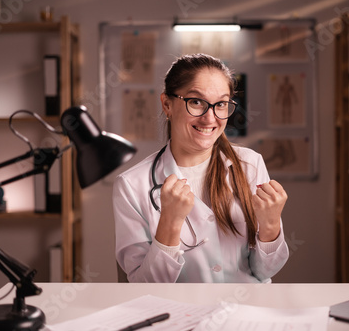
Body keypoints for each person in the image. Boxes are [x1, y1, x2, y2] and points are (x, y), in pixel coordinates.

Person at [113, 53, 289, 283]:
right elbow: (144, 286)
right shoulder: (132, 185)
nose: (210, 118)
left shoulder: (250, 165)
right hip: (179, 314)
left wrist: (271, 225)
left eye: (221, 104)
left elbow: (265, 271)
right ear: (167, 104)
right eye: (196, 102)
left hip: (244, 311)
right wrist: (170, 223)